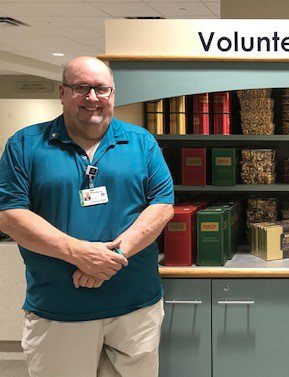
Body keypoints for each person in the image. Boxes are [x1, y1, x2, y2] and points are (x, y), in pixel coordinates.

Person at [0, 56, 174, 377]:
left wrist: (110, 258)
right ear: (63, 92)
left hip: (135, 309)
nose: (92, 98)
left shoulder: (141, 143)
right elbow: (10, 215)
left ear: (113, 94)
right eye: (81, 87)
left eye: (101, 88)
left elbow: (162, 205)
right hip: (60, 311)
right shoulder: (24, 145)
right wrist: (79, 253)